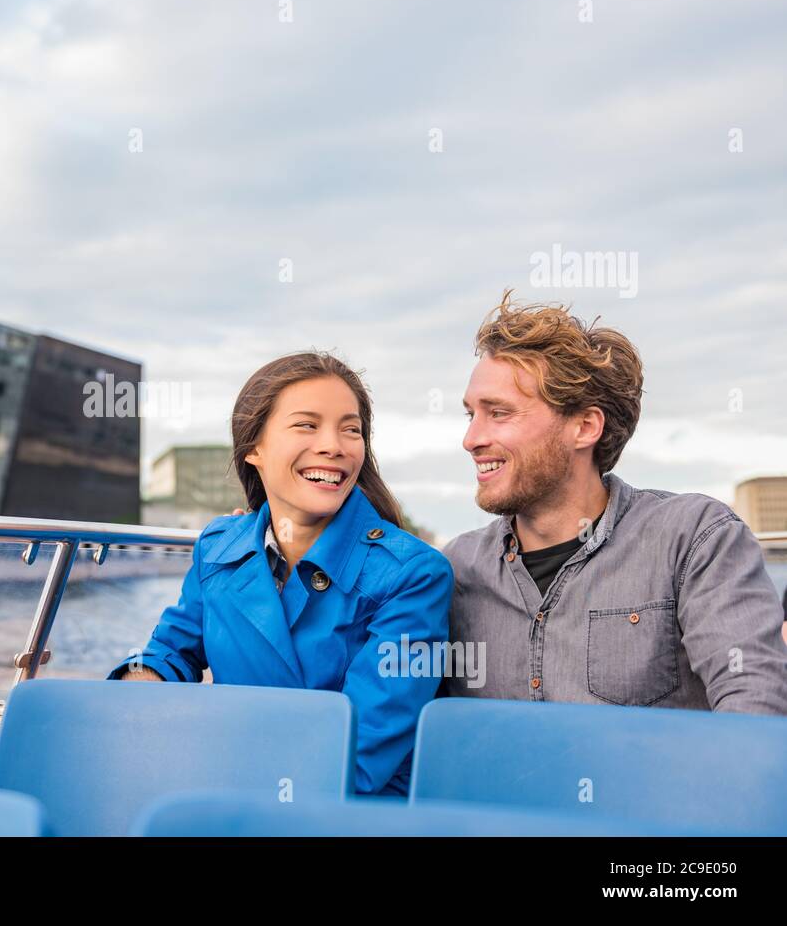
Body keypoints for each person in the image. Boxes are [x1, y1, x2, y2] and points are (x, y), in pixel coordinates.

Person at [107, 351, 452, 795]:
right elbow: (173, 650)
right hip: (231, 793)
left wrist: (205, 755)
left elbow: (361, 751)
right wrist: (143, 686)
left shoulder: (415, 575)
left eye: (351, 429)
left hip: (347, 813)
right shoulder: (217, 547)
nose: (334, 445)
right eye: (307, 425)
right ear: (254, 448)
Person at [442, 291, 787, 713]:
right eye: (470, 415)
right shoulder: (455, 570)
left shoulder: (693, 539)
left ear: (585, 427)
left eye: (498, 413)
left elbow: (755, 707)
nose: (471, 439)